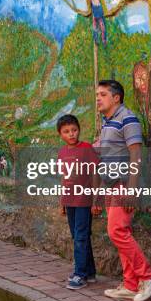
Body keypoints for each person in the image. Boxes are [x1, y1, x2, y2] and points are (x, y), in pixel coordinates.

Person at [94, 80, 151, 301]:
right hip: (111, 185)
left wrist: (131, 190)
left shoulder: (127, 118)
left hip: (124, 184)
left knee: (117, 232)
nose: (98, 98)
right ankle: (131, 284)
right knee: (122, 233)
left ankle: (148, 277)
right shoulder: (107, 122)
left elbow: (136, 155)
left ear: (116, 98)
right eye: (97, 94)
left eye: (102, 94)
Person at [56, 114, 100, 290]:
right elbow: (63, 178)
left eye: (74, 130)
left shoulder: (86, 149)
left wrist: (96, 199)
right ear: (60, 134)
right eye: (66, 131)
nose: (71, 134)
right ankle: (89, 272)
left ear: (79, 130)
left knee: (80, 237)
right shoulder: (62, 152)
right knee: (78, 236)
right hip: (69, 200)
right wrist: (61, 202)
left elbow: (95, 174)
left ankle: (79, 274)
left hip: (84, 200)